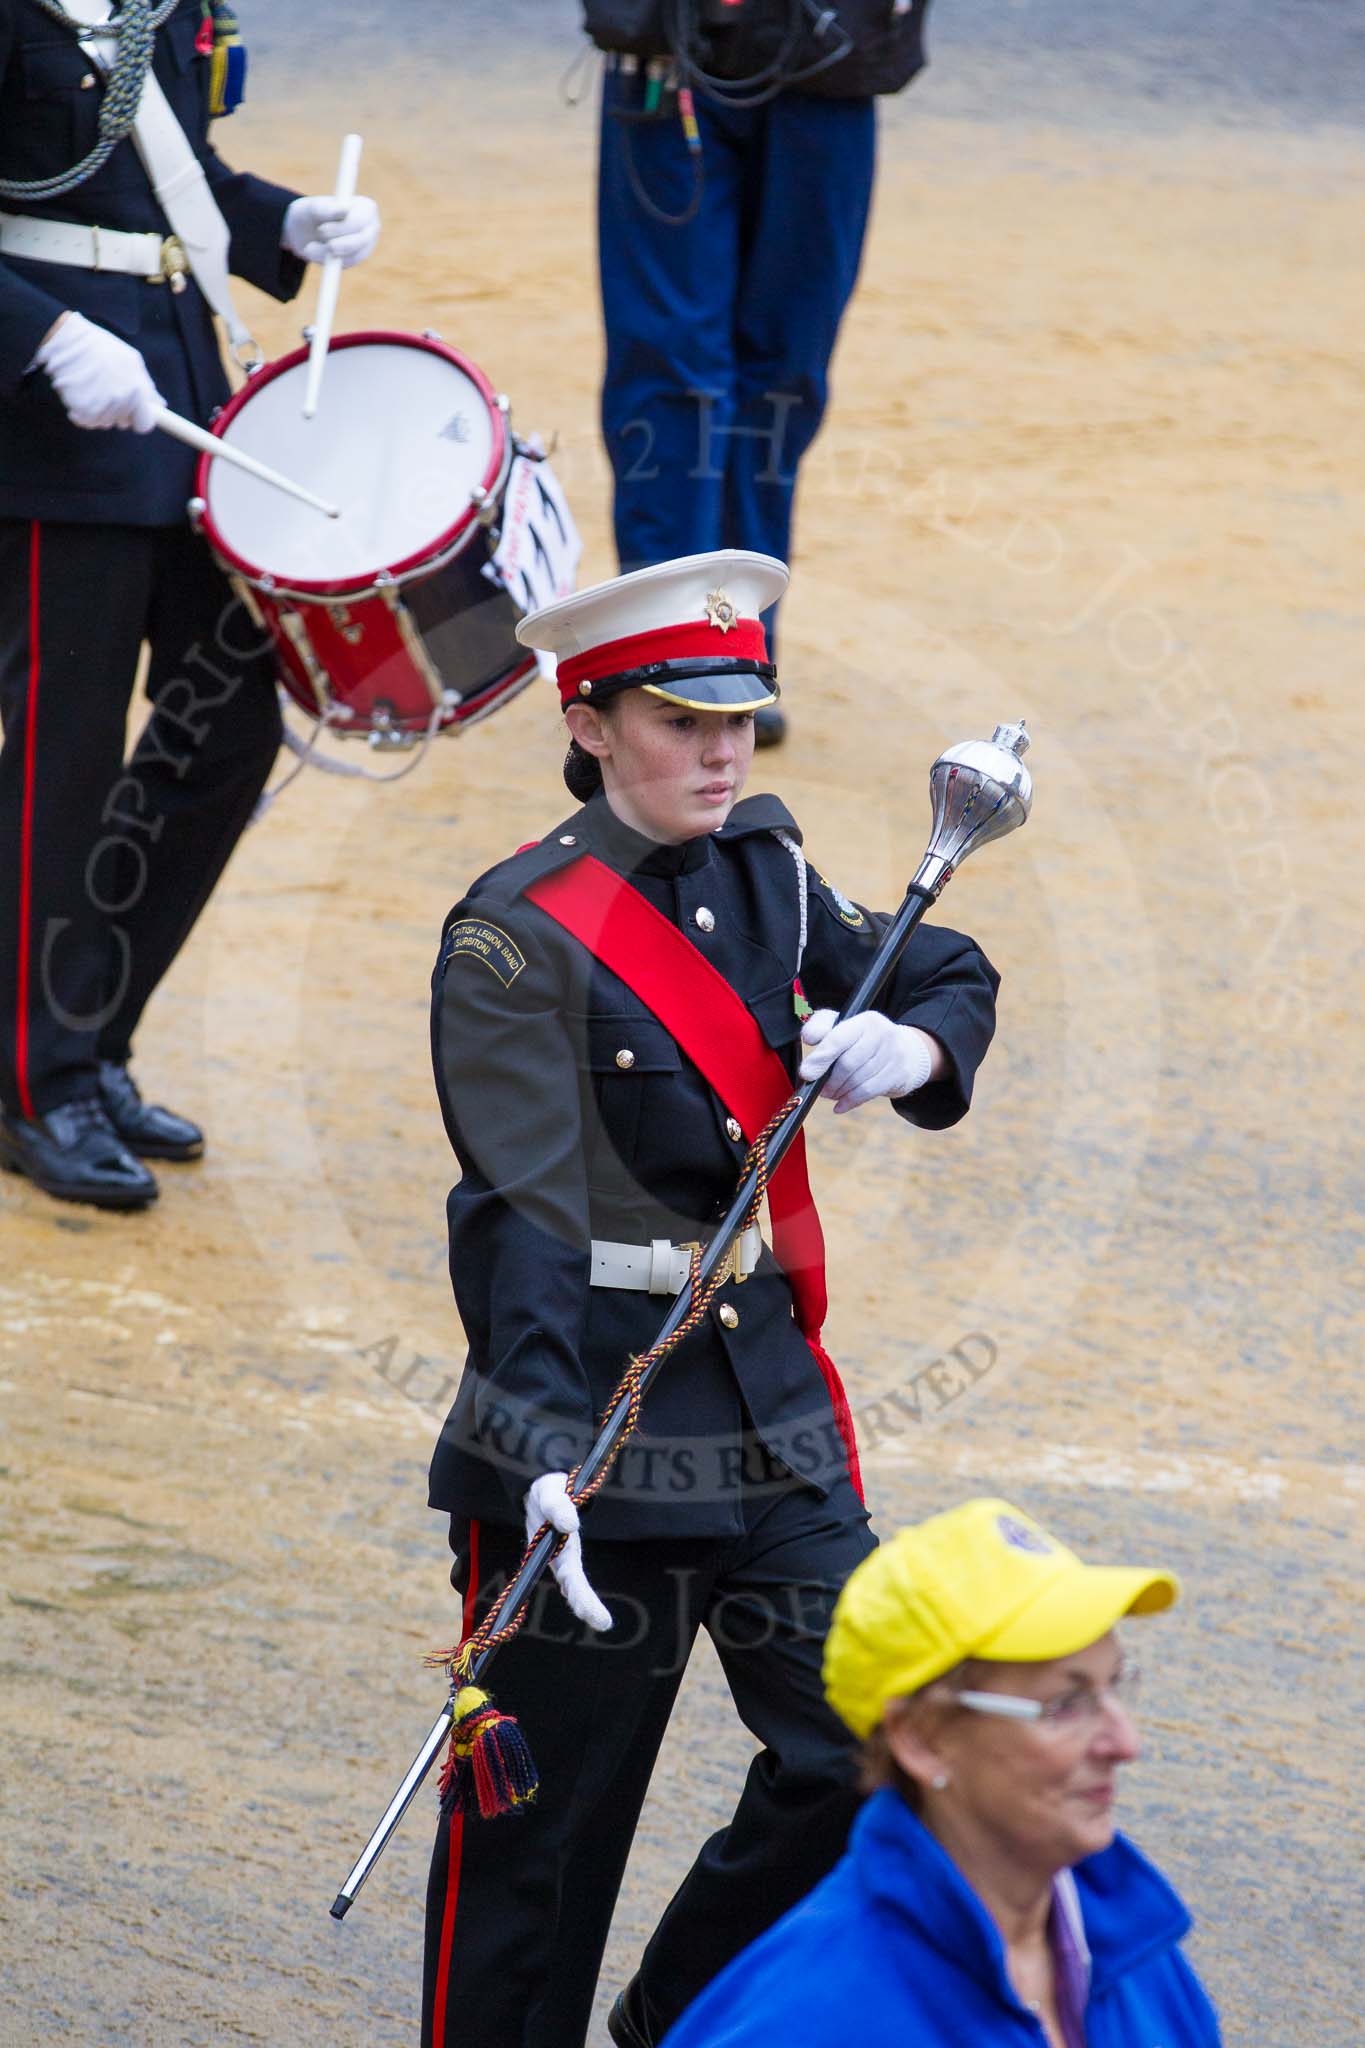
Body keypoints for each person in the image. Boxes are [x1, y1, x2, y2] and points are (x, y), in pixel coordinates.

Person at [422, 548, 1000, 2048]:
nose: (724, 750)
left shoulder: (768, 872)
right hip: (595, 1431)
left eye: (741, 717)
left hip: (766, 1411)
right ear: (592, 719)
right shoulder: (513, 936)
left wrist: (911, 1051)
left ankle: (676, 2014)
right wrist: (544, 1449)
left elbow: (941, 965)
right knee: (540, 1858)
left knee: (882, 1741)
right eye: (683, 720)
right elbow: (522, 1211)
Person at [0, 0, 380, 1209]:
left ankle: (88, 1033)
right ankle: (30, 1079)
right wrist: (45, 333)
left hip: (180, 406)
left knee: (225, 732)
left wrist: (284, 224)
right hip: (55, 428)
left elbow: (179, 175)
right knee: (61, 763)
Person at [663, 1496, 1224, 2048]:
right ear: (922, 1739)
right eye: (1065, 1706)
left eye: (1115, 1687)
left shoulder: (1128, 1939)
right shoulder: (802, 2019)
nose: (1126, 1744)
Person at [588, 0, 933, 746]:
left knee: (785, 373)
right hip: (671, 51)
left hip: (832, 57)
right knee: (669, 372)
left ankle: (738, 642)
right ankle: (666, 655)